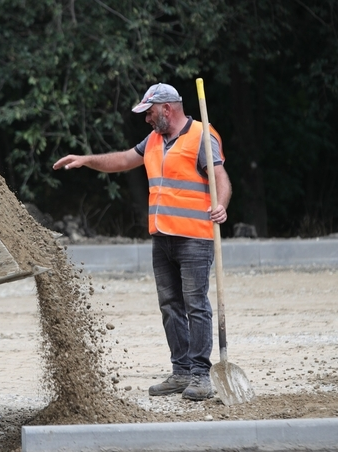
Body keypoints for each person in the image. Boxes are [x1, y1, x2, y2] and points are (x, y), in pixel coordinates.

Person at [53, 83, 231, 401]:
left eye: (149, 112)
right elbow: (123, 160)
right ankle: (181, 372)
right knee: (170, 307)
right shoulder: (154, 140)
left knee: (196, 306)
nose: (147, 119)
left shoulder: (202, 136)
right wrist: (86, 160)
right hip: (162, 236)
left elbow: (220, 178)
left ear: (167, 108)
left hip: (194, 237)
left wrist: (222, 206)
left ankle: (201, 376)